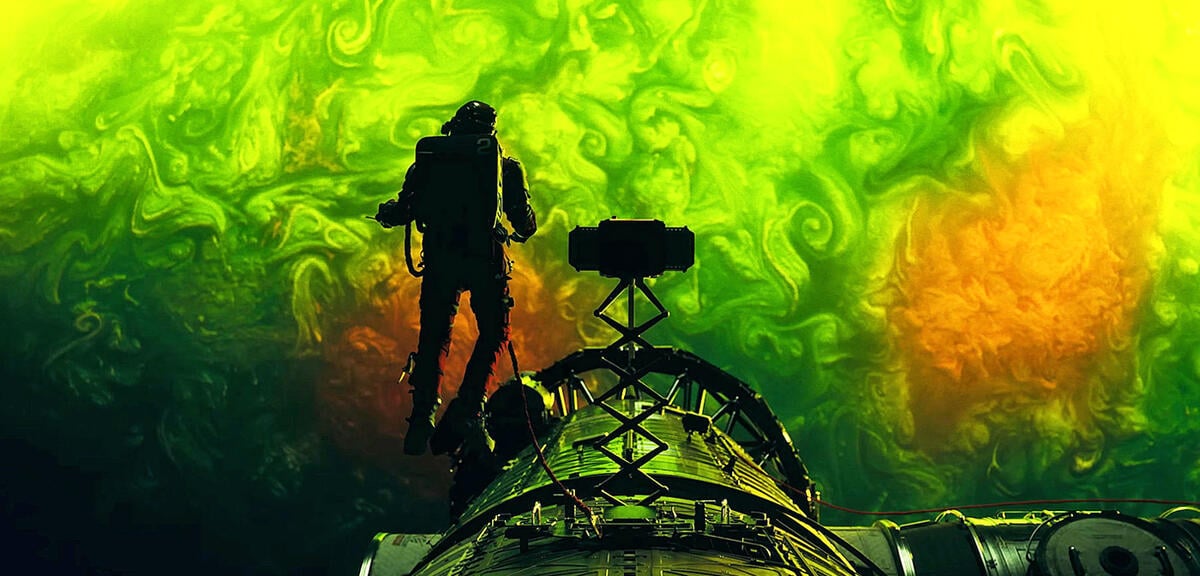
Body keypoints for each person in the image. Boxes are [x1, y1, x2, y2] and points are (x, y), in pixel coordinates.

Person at [374, 100, 537, 456]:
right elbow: (522, 218)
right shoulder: (505, 167)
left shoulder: (429, 162)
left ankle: (422, 416)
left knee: (435, 335)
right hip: (486, 258)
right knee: (495, 332)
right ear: (491, 131)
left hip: (440, 258)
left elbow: (405, 209)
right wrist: (526, 227)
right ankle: (470, 409)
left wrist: (386, 213)